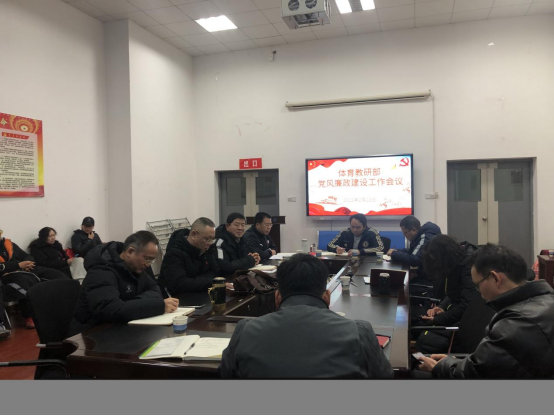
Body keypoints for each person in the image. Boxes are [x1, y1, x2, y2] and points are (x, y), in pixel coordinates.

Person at [220, 253, 394, 379]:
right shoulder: (359, 331)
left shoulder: (245, 329)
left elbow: (226, 374)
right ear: (327, 297)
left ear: (277, 297)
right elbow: (384, 376)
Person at [418, 244, 554, 378]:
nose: (479, 293)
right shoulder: (545, 300)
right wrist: (453, 362)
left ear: (496, 278)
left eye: (477, 285)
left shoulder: (514, 324)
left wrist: (440, 366)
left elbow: (475, 372)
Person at [71, 231, 179, 333]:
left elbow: (155, 290)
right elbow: (111, 310)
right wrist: (158, 306)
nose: (148, 264)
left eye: (151, 260)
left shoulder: (135, 268)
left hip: (122, 327)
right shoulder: (101, 271)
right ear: (130, 251)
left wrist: (128, 304)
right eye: (147, 259)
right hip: (93, 333)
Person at [412, 235, 479, 353]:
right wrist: (441, 307)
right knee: (414, 321)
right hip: (455, 314)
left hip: (464, 324)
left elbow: (467, 305)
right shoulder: (456, 260)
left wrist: (438, 320)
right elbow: (454, 293)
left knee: (418, 332)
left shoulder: (467, 266)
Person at [0, 230, 68, 329]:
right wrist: (17, 265)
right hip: (7, 275)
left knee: (56, 275)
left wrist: (28, 263)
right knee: (25, 281)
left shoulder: (8, 244)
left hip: (25, 269)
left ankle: (67, 305)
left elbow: (26, 256)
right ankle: (32, 316)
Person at [158, 217, 220, 294]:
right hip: (177, 297)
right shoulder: (174, 253)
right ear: (194, 235)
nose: (210, 243)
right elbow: (179, 284)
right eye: (207, 239)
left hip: (200, 293)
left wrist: (194, 281)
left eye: (212, 239)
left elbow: (215, 272)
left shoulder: (206, 248)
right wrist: (209, 281)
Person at [387, 216, 441, 281]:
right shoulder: (422, 235)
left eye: (405, 233)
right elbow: (414, 251)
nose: (404, 235)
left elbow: (415, 259)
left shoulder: (425, 236)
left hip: (428, 280)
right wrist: (397, 251)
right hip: (425, 275)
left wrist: (394, 254)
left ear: (414, 230)